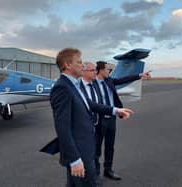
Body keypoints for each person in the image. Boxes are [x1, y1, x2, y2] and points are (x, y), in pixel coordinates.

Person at [44, 48, 134, 187]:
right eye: (79, 62)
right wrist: (74, 159)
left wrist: (115, 110)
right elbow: (62, 127)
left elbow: (89, 104)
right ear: (68, 65)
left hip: (84, 148)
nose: (82, 65)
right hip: (79, 153)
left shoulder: (73, 84)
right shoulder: (62, 88)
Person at [93, 61, 151, 181]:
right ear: (100, 70)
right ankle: (95, 174)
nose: (109, 71)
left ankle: (108, 170)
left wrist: (139, 75)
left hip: (112, 119)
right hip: (99, 119)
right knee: (96, 148)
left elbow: (124, 79)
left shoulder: (109, 81)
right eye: (107, 69)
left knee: (110, 146)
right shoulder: (91, 84)